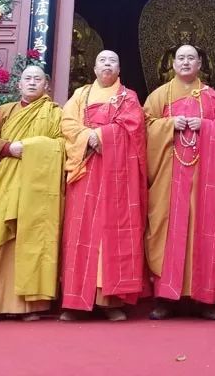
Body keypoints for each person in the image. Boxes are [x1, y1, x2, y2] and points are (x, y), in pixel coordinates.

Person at [0, 65, 64, 321]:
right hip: (3, 179)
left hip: (38, 185)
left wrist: (30, 147)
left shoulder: (55, 113)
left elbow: (63, 145)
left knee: (30, 237)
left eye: (38, 79)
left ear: (47, 86)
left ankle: (28, 307)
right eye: (27, 78)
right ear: (18, 85)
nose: (32, 83)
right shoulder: (4, 111)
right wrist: (9, 147)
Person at [144, 44, 215, 320]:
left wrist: (205, 125)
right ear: (172, 64)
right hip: (169, 176)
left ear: (199, 65)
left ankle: (206, 298)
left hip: (204, 178)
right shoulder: (159, 96)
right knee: (166, 230)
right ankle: (165, 298)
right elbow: (143, 127)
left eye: (190, 58)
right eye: (180, 58)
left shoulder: (212, 97)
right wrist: (169, 123)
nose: (185, 63)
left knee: (206, 229)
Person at [60, 50, 147, 321]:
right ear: (94, 68)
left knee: (112, 231)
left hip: (116, 173)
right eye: (102, 61)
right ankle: (75, 301)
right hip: (85, 168)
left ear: (119, 68)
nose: (107, 64)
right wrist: (89, 136)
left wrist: (103, 136)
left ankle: (111, 302)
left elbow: (134, 128)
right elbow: (67, 123)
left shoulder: (128, 97)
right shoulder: (80, 95)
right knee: (81, 230)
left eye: (112, 61)